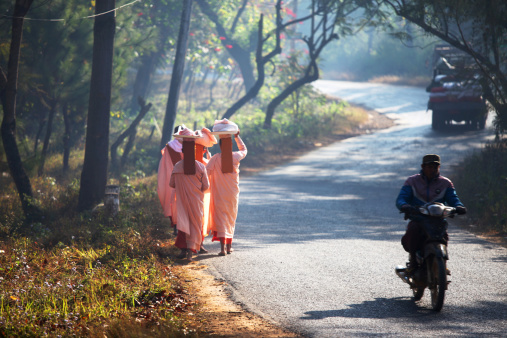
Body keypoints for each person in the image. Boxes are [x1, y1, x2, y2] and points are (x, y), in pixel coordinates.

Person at [395, 154, 467, 273]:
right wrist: (405, 206)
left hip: (437, 219)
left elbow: (453, 198)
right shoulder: (412, 181)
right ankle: (413, 262)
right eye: (429, 166)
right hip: (418, 218)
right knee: (413, 231)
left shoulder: (446, 183)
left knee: (444, 236)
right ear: (423, 167)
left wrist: (458, 207)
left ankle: (442, 264)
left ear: (439, 168)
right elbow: (401, 198)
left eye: (435, 167)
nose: (432, 169)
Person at [207, 120, 247, 256]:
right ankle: (229, 247)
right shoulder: (236, 156)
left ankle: (223, 249)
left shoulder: (214, 159)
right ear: (230, 145)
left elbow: (206, 172)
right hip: (232, 194)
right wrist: (237, 136)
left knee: (221, 218)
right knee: (230, 217)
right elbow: (244, 150)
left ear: (219, 146)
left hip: (219, 194)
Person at [169, 127, 210, 261]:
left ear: (182, 151)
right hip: (197, 202)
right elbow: (206, 186)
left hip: (181, 202)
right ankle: (191, 254)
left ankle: (183, 251)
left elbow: (172, 184)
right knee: (195, 225)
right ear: (194, 150)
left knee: (183, 225)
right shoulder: (201, 166)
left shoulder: (177, 167)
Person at [157, 125, 185, 234]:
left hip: (170, 177)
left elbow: (164, 165)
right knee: (182, 201)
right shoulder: (189, 146)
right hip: (185, 177)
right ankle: (182, 227)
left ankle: (176, 227)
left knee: (172, 201)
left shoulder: (169, 146)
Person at [194, 127, 217, 254]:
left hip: (201, 195)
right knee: (198, 219)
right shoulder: (203, 163)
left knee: (201, 219)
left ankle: (199, 244)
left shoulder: (204, 163)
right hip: (199, 194)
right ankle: (195, 245)